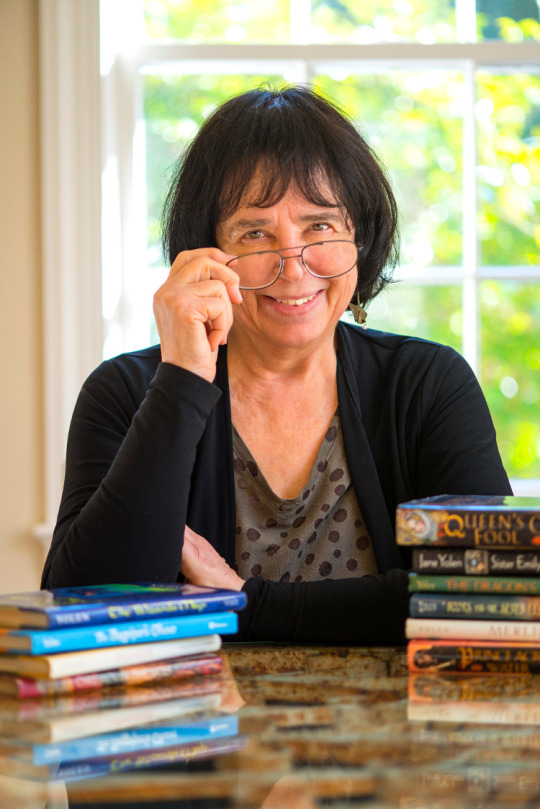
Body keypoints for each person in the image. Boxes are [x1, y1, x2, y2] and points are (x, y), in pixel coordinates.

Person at [41, 86, 512, 644]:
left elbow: (492, 593)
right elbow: (86, 605)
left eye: (320, 226)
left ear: (359, 239)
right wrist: (182, 381)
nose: (293, 267)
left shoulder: (428, 384)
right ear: (206, 254)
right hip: (195, 704)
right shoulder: (126, 392)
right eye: (255, 233)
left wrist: (247, 603)